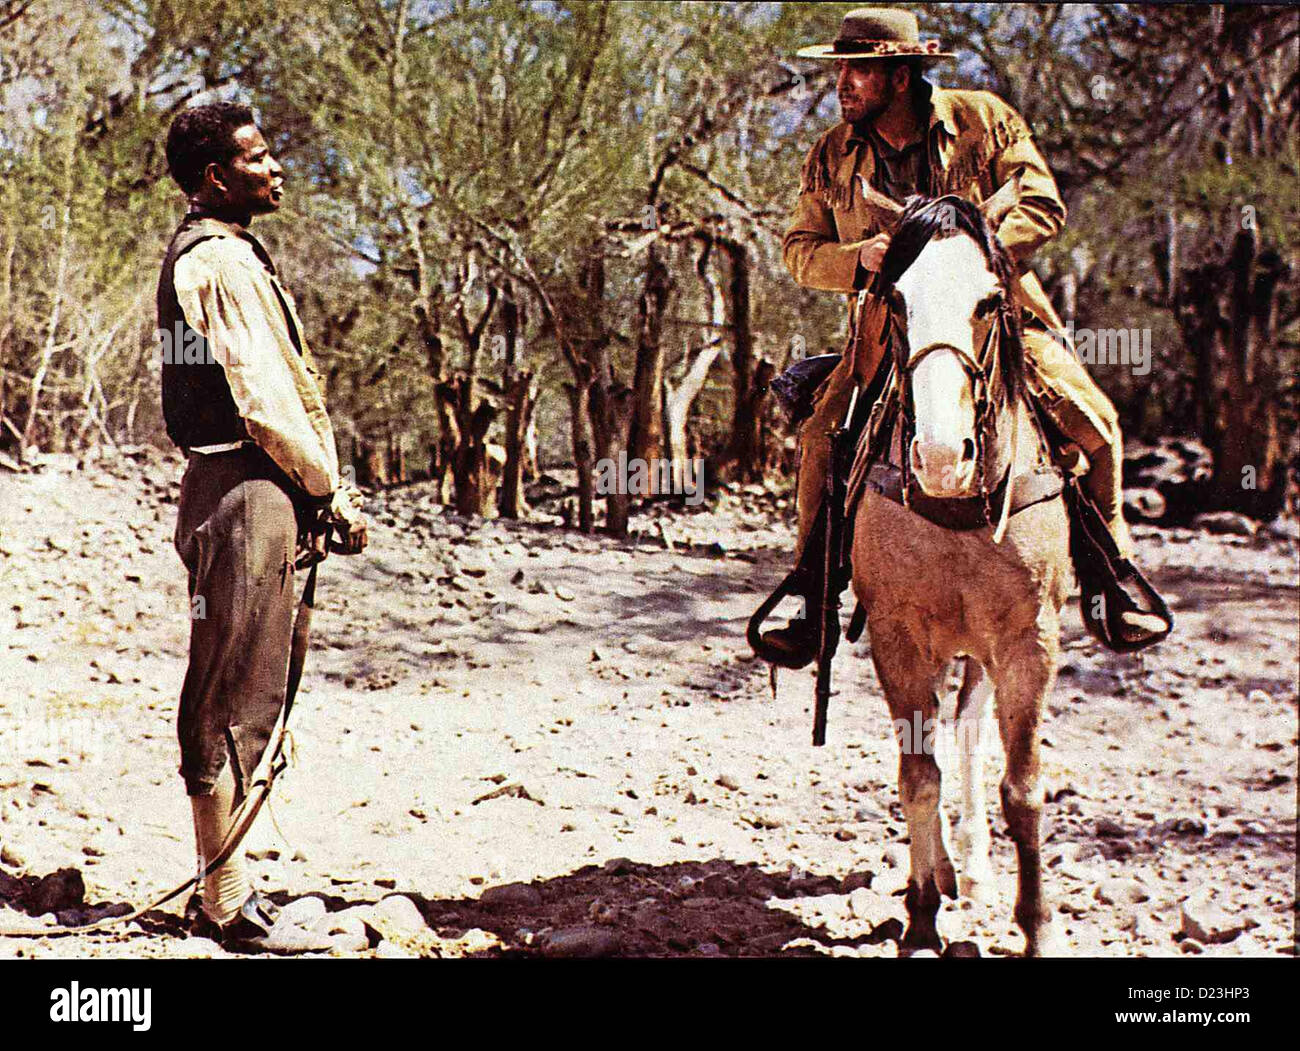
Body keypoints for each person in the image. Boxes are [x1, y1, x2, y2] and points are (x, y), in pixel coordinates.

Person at [760, 8, 1168, 668]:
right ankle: (814, 591)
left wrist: (967, 255)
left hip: (992, 319)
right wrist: (860, 258)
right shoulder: (830, 154)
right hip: (888, 329)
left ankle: (1111, 575)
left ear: (899, 75)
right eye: (840, 68)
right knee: (820, 436)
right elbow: (800, 249)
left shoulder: (985, 119)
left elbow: (1041, 202)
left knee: (1096, 423)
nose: (843, 82)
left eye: (858, 69)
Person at [157, 101, 367, 951]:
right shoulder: (218, 262)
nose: (276, 167)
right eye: (260, 155)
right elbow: (265, 398)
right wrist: (329, 491)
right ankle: (224, 900)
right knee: (229, 688)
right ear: (218, 177)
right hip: (245, 488)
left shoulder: (231, 253)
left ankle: (227, 886)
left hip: (251, 487)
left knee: (251, 681)